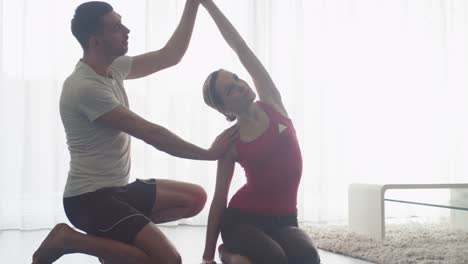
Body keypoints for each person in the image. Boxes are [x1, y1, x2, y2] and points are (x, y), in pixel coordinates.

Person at [31, 1, 238, 264]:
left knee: (195, 198)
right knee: (169, 261)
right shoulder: (84, 87)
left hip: (120, 191)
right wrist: (208, 154)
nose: (126, 30)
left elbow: (171, 55)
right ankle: (69, 239)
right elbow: (151, 134)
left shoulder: (113, 68)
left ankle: (122, 237)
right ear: (96, 41)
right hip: (89, 200)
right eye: (116, 27)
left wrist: (192, 4)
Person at [198, 1, 321, 264]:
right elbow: (220, 198)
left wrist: (209, 6)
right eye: (230, 90)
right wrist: (207, 256)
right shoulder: (231, 142)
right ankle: (227, 254)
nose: (240, 86)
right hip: (242, 220)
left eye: (236, 79)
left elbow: (239, 46)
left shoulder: (272, 101)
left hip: (285, 219)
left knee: (308, 259)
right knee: (274, 260)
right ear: (224, 108)